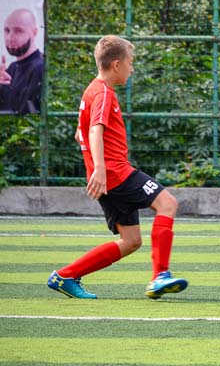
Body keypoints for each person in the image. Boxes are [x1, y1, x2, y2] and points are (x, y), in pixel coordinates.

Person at [47, 35, 188, 299]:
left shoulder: (91, 90)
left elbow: (80, 135)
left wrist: (94, 166)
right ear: (115, 64)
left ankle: (65, 275)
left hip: (106, 176)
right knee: (167, 203)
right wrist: (100, 168)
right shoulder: (102, 93)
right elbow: (93, 131)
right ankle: (160, 277)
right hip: (115, 173)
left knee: (131, 241)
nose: (132, 69)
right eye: (130, 63)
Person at [0, 8, 44, 114]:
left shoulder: (40, 68)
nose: (10, 37)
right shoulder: (12, 67)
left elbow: (25, 114)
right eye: (7, 30)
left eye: (18, 30)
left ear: (34, 33)